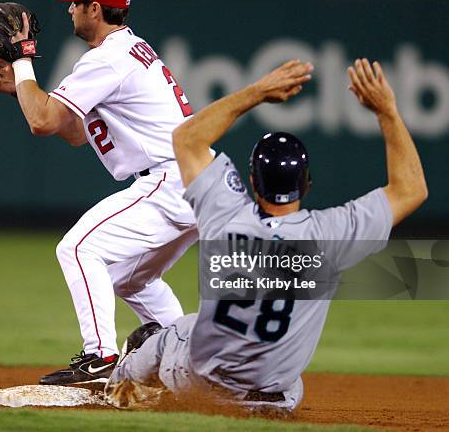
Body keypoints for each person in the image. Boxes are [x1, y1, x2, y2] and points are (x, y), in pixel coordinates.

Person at [105, 58, 427, 412]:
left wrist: (258, 92)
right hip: (275, 401)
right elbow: (411, 189)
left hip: (199, 383)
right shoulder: (331, 235)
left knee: (166, 334)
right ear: (306, 184)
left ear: (253, 182)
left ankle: (118, 385)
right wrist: (387, 112)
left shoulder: (225, 213)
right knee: (290, 374)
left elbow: (186, 137)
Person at [0, 0, 201, 386]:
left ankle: (99, 357)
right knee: (132, 279)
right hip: (189, 181)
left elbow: (43, 122)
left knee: (77, 248)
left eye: (75, 4)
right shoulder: (127, 51)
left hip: (168, 180)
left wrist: (23, 62)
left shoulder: (108, 59)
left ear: (94, 8)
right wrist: (20, 91)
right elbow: (75, 132)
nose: (69, 11)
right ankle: (185, 356)